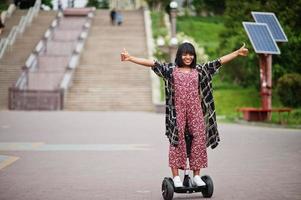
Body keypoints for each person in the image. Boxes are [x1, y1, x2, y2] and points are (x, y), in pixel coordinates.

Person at [121, 42, 248, 187]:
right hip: (177, 112)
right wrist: (130, 58)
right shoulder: (171, 70)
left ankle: (197, 176)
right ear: (179, 55)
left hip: (196, 112)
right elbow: (153, 63)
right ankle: (176, 178)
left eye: (191, 54)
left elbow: (218, 62)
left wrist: (236, 53)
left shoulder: (200, 70)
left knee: (199, 139)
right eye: (185, 54)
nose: (188, 57)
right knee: (177, 141)